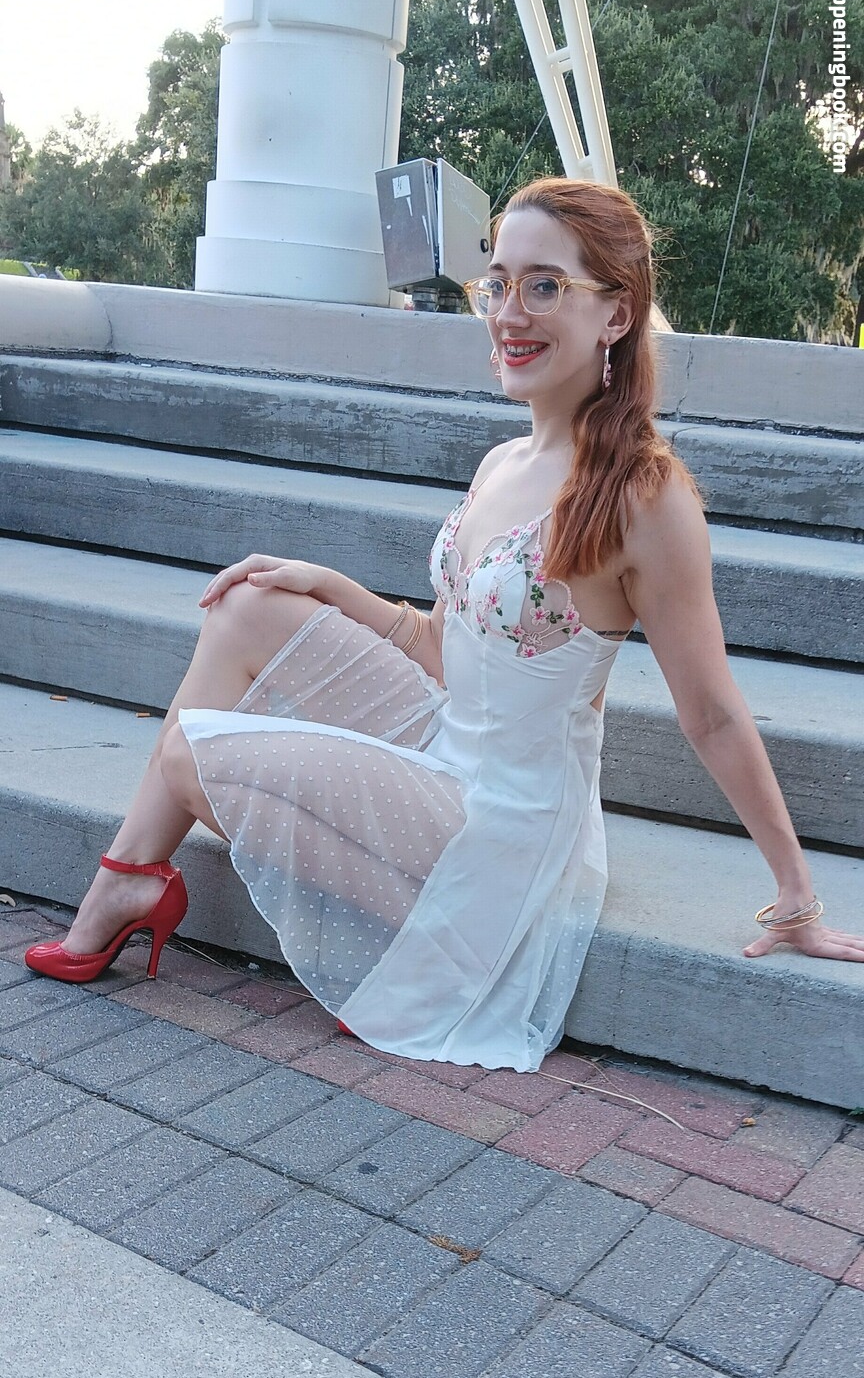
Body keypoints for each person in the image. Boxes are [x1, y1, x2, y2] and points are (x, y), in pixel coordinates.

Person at [24, 178, 864, 1071]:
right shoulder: (504, 459)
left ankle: (419, 926)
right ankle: (128, 879)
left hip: (503, 816)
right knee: (248, 606)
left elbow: (714, 715)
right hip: (444, 736)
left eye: (545, 285)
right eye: (497, 283)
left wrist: (796, 892)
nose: (509, 312)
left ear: (616, 314)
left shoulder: (643, 499)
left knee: (190, 754)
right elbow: (442, 646)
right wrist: (329, 586)